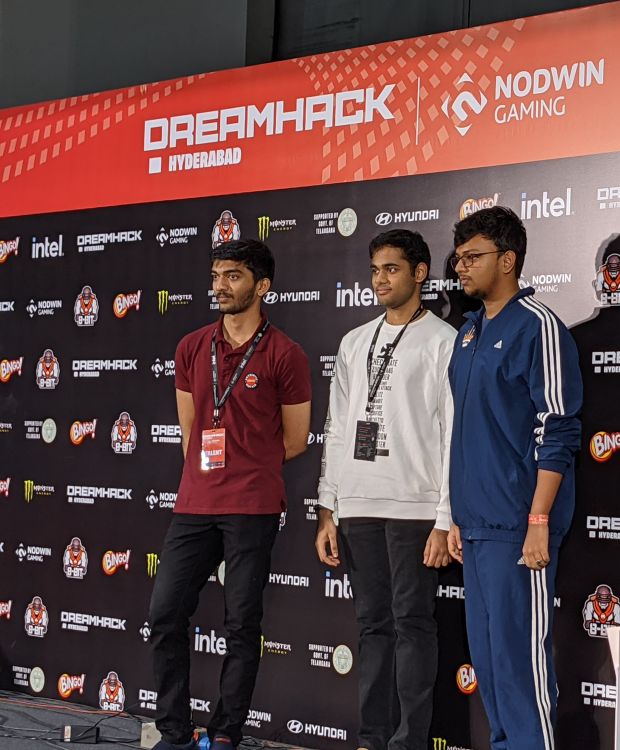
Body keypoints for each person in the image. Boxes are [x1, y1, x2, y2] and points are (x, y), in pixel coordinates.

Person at [147, 239, 311, 750]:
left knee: (241, 624)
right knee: (164, 614)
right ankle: (174, 732)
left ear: (262, 286)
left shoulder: (285, 354)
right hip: (195, 503)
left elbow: (295, 440)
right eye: (216, 275)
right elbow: (190, 430)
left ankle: (225, 733)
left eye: (233, 275)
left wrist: (248, 466)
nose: (219, 285)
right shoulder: (191, 347)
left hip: (252, 507)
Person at [447, 206, 582, 750]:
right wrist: (457, 517)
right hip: (477, 525)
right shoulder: (469, 330)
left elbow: (558, 429)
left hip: (519, 526)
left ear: (508, 260)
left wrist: (538, 520)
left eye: (472, 256)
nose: (461, 267)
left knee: (521, 667)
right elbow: (465, 430)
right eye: (458, 258)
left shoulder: (538, 326)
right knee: (490, 665)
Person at [314, 229, 454, 750]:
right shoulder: (354, 342)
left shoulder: (443, 341)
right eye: (375, 270)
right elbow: (336, 428)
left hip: (415, 507)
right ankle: (372, 739)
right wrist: (328, 508)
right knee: (372, 626)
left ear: (420, 273)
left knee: (412, 624)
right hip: (357, 506)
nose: (380, 280)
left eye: (391, 269)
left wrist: (444, 517)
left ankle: (408, 742)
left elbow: (452, 434)